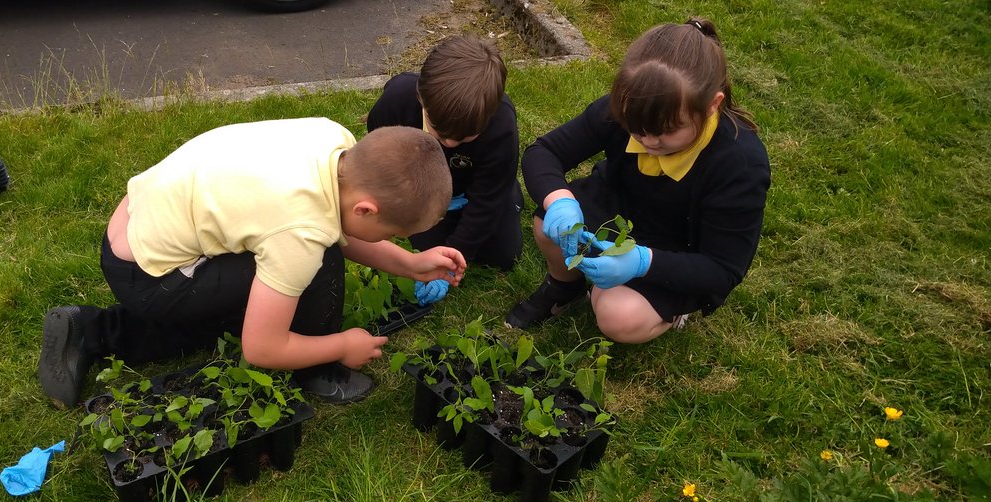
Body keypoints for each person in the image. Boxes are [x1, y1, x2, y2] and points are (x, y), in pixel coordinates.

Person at [38, 119, 466, 408]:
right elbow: (260, 348)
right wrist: (342, 345)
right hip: (148, 275)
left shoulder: (333, 142)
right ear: (368, 211)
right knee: (311, 268)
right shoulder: (299, 233)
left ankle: (93, 328)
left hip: (137, 217)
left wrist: (411, 264)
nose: (394, 242)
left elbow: (345, 228)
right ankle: (90, 331)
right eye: (394, 235)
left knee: (295, 267)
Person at [505, 18, 771, 344]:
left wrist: (643, 263)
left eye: (666, 131)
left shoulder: (740, 164)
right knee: (547, 223)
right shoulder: (632, 109)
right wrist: (559, 199)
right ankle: (564, 287)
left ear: (712, 104)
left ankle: (672, 310)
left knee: (617, 316)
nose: (647, 140)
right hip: (621, 206)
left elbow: (723, 269)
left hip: (681, 246)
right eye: (635, 126)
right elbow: (544, 152)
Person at [366, 35, 523, 306]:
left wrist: (453, 258)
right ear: (420, 97)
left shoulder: (501, 128)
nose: (449, 143)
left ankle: (509, 193)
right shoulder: (397, 101)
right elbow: (376, 159)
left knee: (504, 254)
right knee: (417, 247)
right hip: (419, 189)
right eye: (439, 131)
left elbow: (486, 203)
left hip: (473, 191)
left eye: (465, 138)